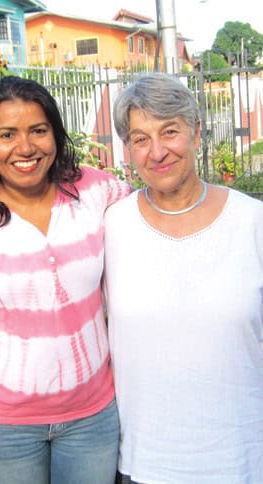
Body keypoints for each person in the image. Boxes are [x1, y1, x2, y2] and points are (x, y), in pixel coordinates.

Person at [0, 75, 129, 484]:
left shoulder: (99, 191)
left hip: (91, 414)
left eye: (38, 131)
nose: (25, 148)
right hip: (4, 421)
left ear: (56, 136)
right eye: (7, 134)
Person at [105, 73, 263, 483]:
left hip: (242, 460)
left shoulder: (252, 222)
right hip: (144, 463)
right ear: (128, 149)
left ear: (196, 131)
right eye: (140, 139)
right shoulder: (111, 226)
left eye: (169, 131)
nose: (157, 152)